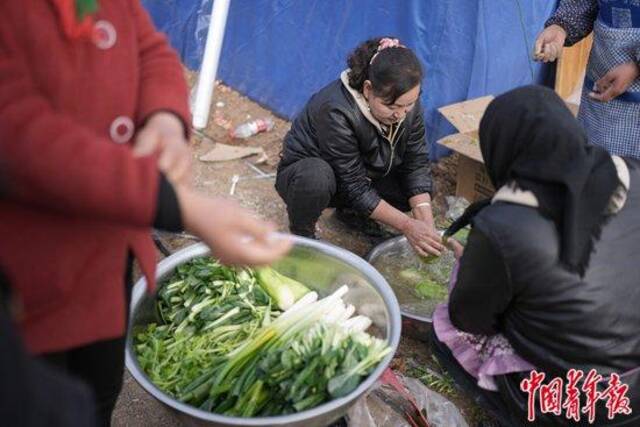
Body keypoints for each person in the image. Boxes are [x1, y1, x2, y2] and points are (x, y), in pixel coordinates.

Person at [0, 1, 290, 425]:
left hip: (106, 255)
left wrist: (165, 119)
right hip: (28, 277)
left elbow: (149, 47)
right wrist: (180, 207)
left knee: (100, 389)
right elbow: (21, 136)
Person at [432, 86, 640, 426]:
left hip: (572, 403)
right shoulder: (631, 172)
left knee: (444, 336)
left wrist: (472, 266)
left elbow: (470, 320)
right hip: (632, 391)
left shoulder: (504, 224)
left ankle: (511, 413)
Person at [276, 37, 443, 256]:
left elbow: (416, 163)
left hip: (364, 175)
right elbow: (353, 186)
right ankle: (302, 235)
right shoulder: (336, 110)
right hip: (315, 179)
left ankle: (353, 215)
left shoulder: (406, 104)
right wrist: (408, 226)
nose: (400, 114)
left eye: (408, 105)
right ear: (367, 89)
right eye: (391, 106)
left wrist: (425, 221)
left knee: (422, 190)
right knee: (316, 177)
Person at [534, 0, 640, 158]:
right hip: (598, 101)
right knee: (594, 164)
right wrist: (561, 27)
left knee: (631, 175)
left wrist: (635, 68)